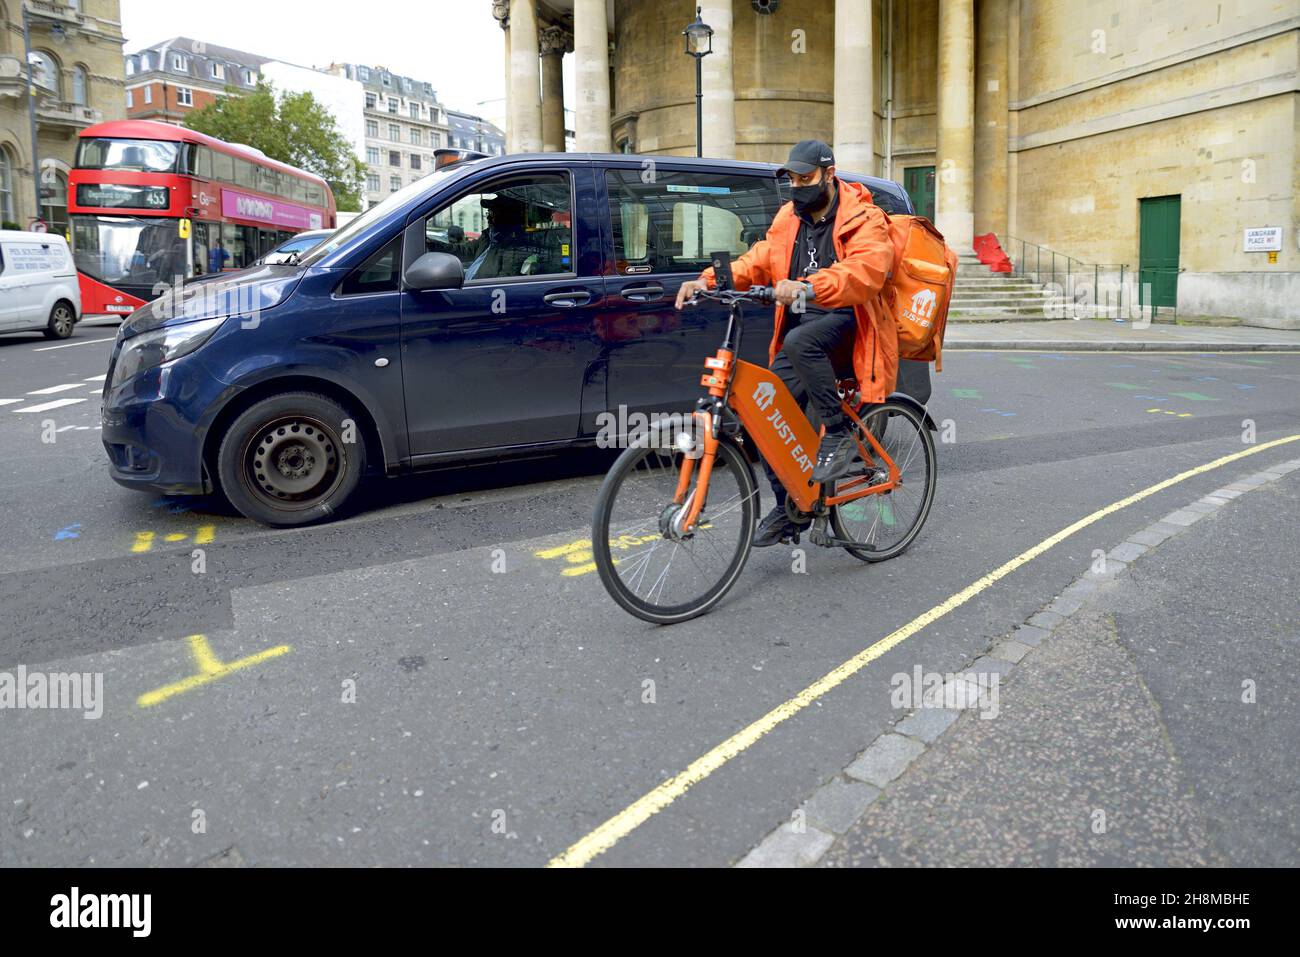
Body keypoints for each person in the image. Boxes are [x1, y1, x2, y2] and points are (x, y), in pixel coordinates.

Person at [675, 139, 898, 547]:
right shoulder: (788, 218)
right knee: (764, 418)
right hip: (802, 331)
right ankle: (790, 508)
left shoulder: (865, 218)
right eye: (791, 179)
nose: (797, 186)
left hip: (848, 320)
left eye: (805, 178)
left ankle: (838, 430)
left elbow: (867, 271)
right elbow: (759, 258)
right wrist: (705, 280)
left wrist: (809, 287)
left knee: (800, 340)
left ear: (829, 175)